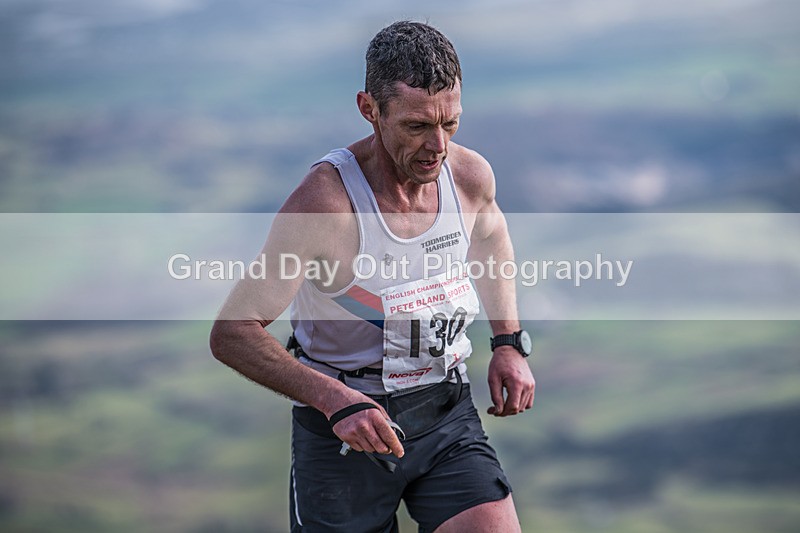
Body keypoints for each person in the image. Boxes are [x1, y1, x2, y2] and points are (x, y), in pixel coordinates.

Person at [210, 20, 535, 533]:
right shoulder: (326, 205)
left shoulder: (468, 177)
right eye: (416, 126)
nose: (438, 146)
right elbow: (232, 332)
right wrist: (333, 400)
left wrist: (508, 342)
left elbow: (492, 245)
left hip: (445, 411)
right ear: (369, 109)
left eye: (450, 123)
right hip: (343, 431)